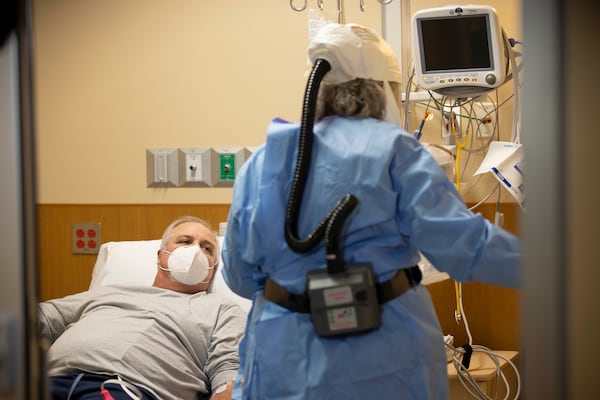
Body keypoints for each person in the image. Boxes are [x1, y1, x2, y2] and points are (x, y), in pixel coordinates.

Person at [221, 23, 521, 399]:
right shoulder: (395, 150)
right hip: (384, 356)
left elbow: (237, 275)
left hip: (283, 355)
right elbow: (466, 247)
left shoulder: (265, 160)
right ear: (384, 89)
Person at [39, 216, 246, 400]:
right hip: (47, 381)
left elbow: (230, 374)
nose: (195, 250)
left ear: (212, 267)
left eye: (206, 248)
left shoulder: (220, 309)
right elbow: (42, 317)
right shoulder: (110, 292)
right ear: (160, 255)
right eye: (185, 241)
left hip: (127, 389)